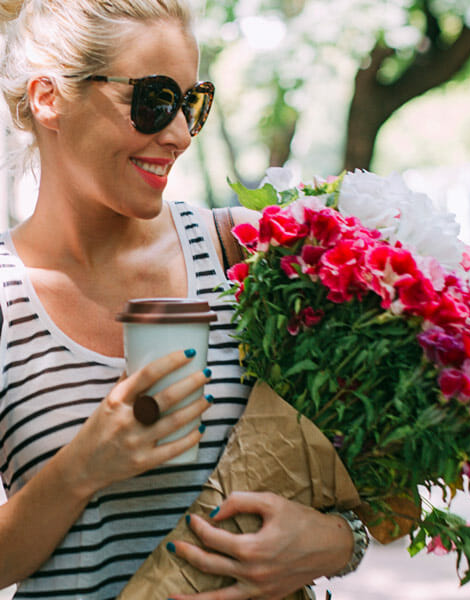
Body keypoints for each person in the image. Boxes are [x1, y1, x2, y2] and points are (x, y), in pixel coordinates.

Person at [0, 1, 363, 598]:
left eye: (192, 104)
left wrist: (334, 542)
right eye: (153, 100)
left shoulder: (243, 253)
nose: (177, 135)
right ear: (49, 99)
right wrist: (82, 467)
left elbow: (385, 486)